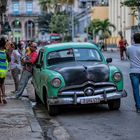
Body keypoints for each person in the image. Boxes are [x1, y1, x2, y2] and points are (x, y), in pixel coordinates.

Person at [126, 33, 140, 113]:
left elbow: (128, 57)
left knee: (136, 90)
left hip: (133, 72)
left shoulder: (129, 48)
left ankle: (138, 107)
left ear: (133, 39)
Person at [0, 38, 9, 104]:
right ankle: (3, 97)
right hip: (3, 70)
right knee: (2, 83)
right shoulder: (6, 51)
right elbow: (9, 59)